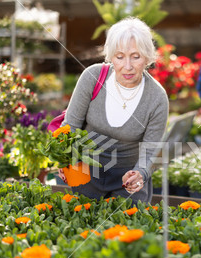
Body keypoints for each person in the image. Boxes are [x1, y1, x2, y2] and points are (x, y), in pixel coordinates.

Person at [60, 17, 168, 204]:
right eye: (120, 57)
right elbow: (70, 125)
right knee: (83, 229)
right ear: (110, 56)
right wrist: (64, 157)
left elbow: (151, 151)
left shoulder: (157, 98)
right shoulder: (92, 77)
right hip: (85, 176)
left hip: (127, 184)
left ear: (148, 58)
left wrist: (140, 174)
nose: (127, 66)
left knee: (126, 230)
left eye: (136, 56)